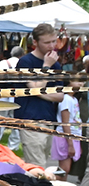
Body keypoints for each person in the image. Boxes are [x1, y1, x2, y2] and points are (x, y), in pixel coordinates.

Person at [13, 24, 67, 168]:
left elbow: (60, 96)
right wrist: (46, 67)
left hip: (48, 119)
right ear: (35, 42)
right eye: (47, 42)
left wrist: (41, 92)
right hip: (30, 119)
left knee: (41, 164)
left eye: (54, 41)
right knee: (37, 167)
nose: (52, 46)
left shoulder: (56, 65)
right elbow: (36, 89)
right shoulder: (26, 62)